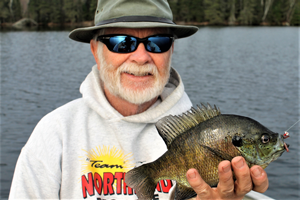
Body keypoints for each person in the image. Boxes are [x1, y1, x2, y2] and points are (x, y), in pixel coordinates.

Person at [9, 0, 269, 199]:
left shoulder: (206, 134)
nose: (141, 57)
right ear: (95, 50)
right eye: (122, 42)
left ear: (171, 49)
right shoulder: (54, 132)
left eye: (157, 42)